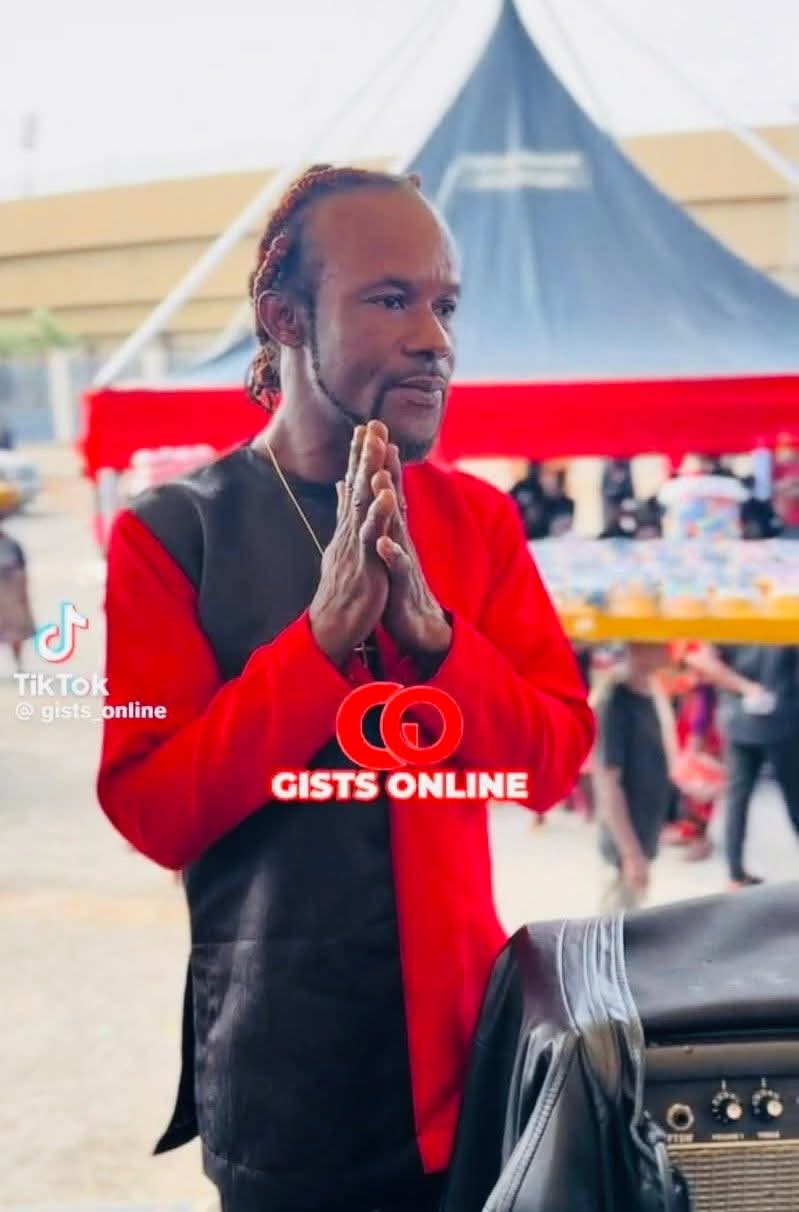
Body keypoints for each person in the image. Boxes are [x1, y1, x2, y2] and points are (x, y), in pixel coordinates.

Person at [96, 165, 593, 1212]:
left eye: (444, 305)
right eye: (391, 299)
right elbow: (150, 809)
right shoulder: (173, 533)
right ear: (286, 319)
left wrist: (439, 642)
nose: (434, 339)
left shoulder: (476, 523)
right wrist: (318, 644)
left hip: (466, 1071)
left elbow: (552, 763)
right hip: (283, 1074)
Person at [592, 643, 672, 911]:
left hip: (643, 836)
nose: (668, 649)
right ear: (638, 649)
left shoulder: (650, 693)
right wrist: (631, 854)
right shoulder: (616, 703)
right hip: (624, 850)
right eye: (659, 643)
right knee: (617, 925)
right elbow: (608, 782)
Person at [0, 500, 35, 671]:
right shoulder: (12, 545)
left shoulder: (12, 545)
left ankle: (18, 663)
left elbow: (22, 573)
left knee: (15, 632)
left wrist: (23, 596)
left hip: (10, 594)